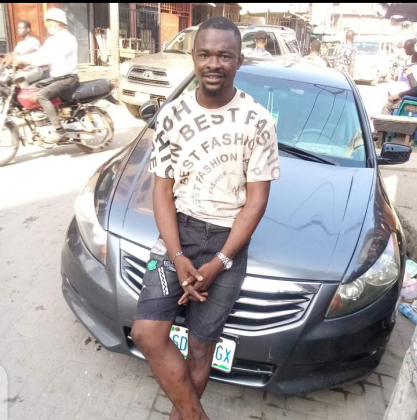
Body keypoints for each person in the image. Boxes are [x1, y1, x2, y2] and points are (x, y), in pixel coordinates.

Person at [131, 17, 279, 420]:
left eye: (224, 56)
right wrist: (177, 256)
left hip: (227, 242)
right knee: (146, 332)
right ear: (194, 58)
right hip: (178, 234)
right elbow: (161, 191)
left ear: (239, 60)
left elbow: (257, 201)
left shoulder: (257, 121)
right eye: (205, 54)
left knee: (200, 346)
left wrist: (220, 262)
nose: (214, 63)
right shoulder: (172, 115)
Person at [13, 8, 78, 143]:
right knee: (32, 88)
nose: (47, 26)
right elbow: (40, 54)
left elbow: (47, 57)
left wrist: (22, 60)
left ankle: (59, 131)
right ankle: (45, 119)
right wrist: (16, 59)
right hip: (57, 78)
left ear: (57, 22)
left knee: (42, 96)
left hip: (68, 78)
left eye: (49, 22)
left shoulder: (67, 39)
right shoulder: (52, 40)